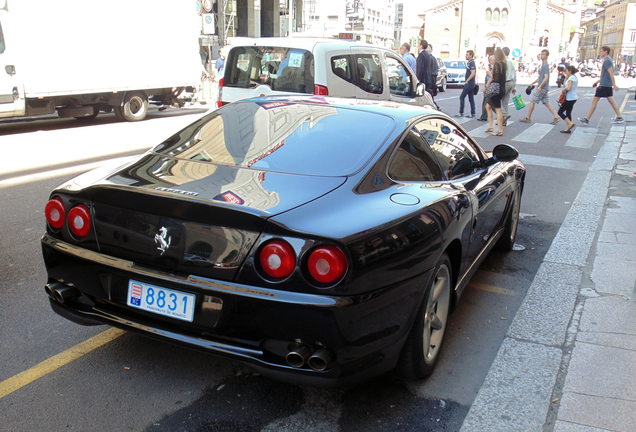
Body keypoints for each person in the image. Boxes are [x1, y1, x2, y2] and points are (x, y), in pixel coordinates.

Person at [578, 46, 624, 125]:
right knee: (611, 101)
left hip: (605, 85)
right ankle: (619, 117)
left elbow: (611, 73)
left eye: (601, 51)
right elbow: (605, 75)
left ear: (606, 51)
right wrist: (597, 82)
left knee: (595, 100)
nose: (600, 53)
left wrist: (614, 84)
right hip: (605, 84)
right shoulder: (607, 60)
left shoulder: (607, 61)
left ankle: (587, 119)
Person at [519, 49, 560, 124]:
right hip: (544, 87)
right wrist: (532, 83)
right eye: (541, 54)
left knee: (532, 100)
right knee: (546, 102)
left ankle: (528, 117)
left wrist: (540, 86)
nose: (542, 56)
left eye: (544, 54)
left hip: (543, 88)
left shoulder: (545, 65)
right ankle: (556, 116)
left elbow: (546, 77)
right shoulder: (543, 65)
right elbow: (540, 77)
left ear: (547, 56)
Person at [485, 48, 507, 136]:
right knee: (488, 106)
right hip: (501, 88)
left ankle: (500, 130)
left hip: (496, 89)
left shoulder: (497, 65)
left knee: (498, 110)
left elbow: (496, 78)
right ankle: (491, 126)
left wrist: (489, 73)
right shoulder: (504, 64)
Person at [454, 50, 477, 118]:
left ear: (471, 56)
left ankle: (461, 112)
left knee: (462, 97)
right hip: (471, 83)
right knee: (471, 98)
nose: (466, 56)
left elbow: (473, 73)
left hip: (470, 83)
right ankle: (473, 113)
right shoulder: (470, 62)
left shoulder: (472, 63)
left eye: (467, 54)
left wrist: (467, 80)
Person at [558, 65, 579, 133]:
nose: (566, 72)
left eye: (567, 71)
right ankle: (568, 128)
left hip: (569, 98)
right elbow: (564, 84)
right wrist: (566, 77)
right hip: (573, 98)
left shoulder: (571, 78)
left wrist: (564, 90)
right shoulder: (573, 77)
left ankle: (570, 123)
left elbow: (568, 88)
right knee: (568, 112)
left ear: (570, 71)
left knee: (560, 112)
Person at [501, 47, 517, 125]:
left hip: (505, 82)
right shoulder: (511, 62)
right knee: (505, 102)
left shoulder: (503, 62)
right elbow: (514, 74)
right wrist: (514, 86)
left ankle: (505, 115)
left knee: (496, 100)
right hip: (511, 82)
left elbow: (503, 74)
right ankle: (503, 121)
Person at [478, 55, 495, 121]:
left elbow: (493, 77)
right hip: (488, 84)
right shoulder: (491, 66)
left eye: (490, 60)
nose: (489, 61)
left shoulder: (494, 66)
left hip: (490, 85)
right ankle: (484, 116)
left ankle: (503, 115)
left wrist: (486, 86)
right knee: (486, 101)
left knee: (488, 102)